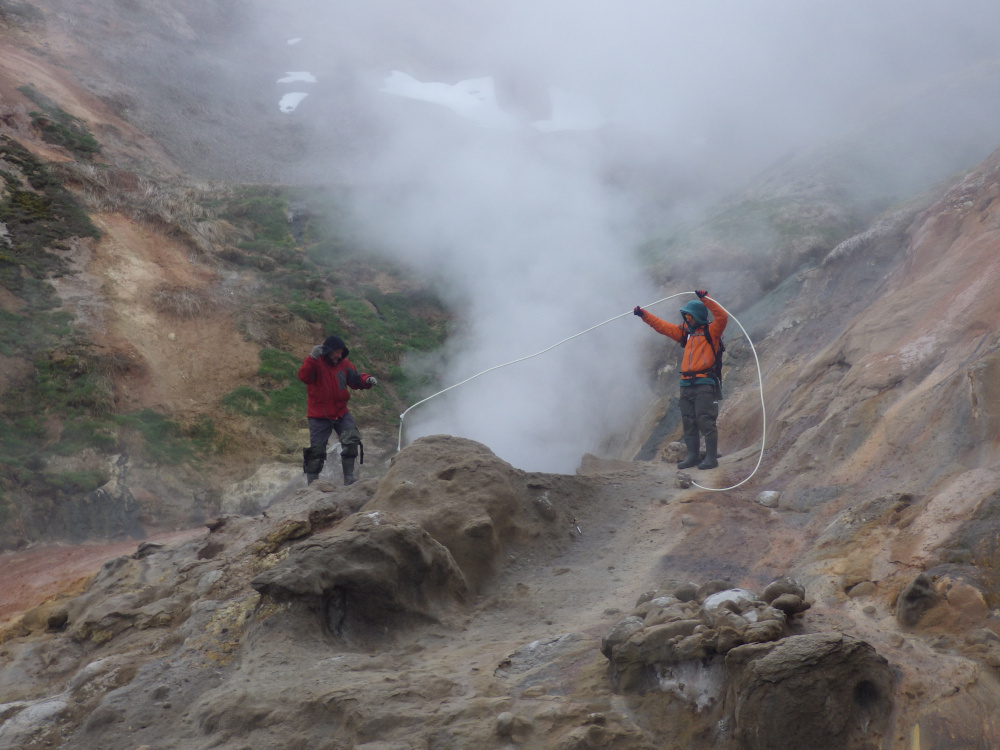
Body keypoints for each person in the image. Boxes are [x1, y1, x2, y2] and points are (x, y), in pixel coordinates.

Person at [634, 290, 728, 470]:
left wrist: (705, 299)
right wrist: (643, 315)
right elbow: (662, 326)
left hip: (704, 383)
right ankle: (693, 456)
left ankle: (710, 458)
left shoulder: (712, 331)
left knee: (705, 420)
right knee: (688, 420)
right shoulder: (685, 333)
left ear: (698, 316)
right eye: (685, 316)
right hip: (686, 384)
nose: (687, 319)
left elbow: (722, 316)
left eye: (690, 316)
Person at [297, 334, 377, 485]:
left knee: (351, 439)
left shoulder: (344, 363)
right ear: (328, 351)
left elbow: (355, 379)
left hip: (341, 412)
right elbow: (303, 376)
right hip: (318, 415)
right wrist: (311, 358)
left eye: (341, 352)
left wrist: (367, 380)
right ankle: (313, 485)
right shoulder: (315, 362)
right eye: (337, 352)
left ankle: (349, 477)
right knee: (316, 452)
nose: (339, 355)